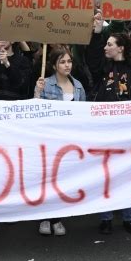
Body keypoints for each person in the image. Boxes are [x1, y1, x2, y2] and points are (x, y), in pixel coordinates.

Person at [86, 10, 131, 235]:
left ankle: (128, 216)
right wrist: (97, 34)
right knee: (105, 174)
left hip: (130, 132)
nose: (106, 47)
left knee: (128, 174)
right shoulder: (102, 70)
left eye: (109, 44)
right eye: (105, 44)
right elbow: (92, 59)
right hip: (105, 131)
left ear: (121, 48)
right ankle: (105, 217)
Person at [33, 46, 86, 237]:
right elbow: (34, 112)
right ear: (54, 65)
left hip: (69, 142)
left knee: (61, 180)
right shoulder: (45, 84)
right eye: (62, 62)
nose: (67, 65)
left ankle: (58, 218)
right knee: (47, 179)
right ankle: (45, 218)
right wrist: (37, 94)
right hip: (49, 140)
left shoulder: (78, 86)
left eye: (69, 61)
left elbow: (83, 115)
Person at [0, 30, 32, 100]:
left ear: (12, 41)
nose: (0, 39)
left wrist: (7, 64)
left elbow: (21, 84)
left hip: (13, 104)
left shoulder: (23, 60)